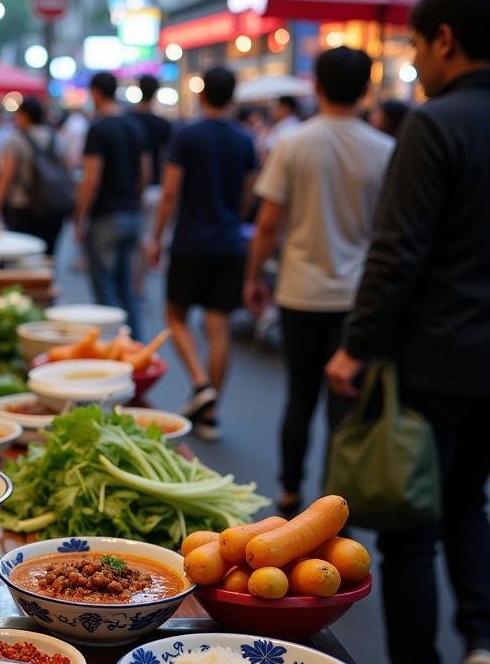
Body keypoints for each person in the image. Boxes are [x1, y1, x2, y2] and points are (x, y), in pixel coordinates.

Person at [326, 0, 490, 664]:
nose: (416, 62)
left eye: (418, 46)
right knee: (471, 506)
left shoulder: (436, 124)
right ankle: (483, 646)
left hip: (432, 359)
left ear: (446, 40)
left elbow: (397, 251)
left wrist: (356, 345)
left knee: (414, 531)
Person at [243, 47, 394, 518]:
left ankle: (288, 493)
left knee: (300, 396)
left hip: (300, 292)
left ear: (317, 86)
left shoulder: (294, 142)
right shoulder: (386, 149)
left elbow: (268, 222)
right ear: (367, 88)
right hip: (359, 299)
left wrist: (252, 275)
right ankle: (334, 506)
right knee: (345, 407)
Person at [146, 66, 258, 440]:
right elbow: (247, 194)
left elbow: (170, 192)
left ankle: (198, 381)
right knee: (218, 324)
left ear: (202, 94)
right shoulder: (245, 140)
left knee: (175, 315)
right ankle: (210, 414)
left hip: (191, 240)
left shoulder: (187, 135)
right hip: (229, 242)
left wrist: (156, 237)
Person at [74, 71, 149, 341]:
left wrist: (79, 217)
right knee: (127, 287)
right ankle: (135, 347)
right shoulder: (134, 126)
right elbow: (145, 172)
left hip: (106, 217)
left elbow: (91, 179)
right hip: (131, 214)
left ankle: (112, 350)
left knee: (105, 290)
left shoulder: (99, 128)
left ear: (95, 92)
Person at [0, 96, 70, 255]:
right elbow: (67, 169)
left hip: (24, 207)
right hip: (54, 207)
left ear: (24, 115)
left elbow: (5, 177)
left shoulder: (16, 140)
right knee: (49, 256)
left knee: (24, 257)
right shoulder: (57, 138)